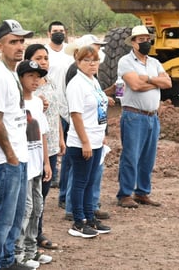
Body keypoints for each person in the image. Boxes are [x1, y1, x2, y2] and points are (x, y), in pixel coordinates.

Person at [0, 19, 34, 270]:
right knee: (3, 216)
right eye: (13, 41)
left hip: (18, 156)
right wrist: (11, 156)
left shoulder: (11, 73)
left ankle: (6, 260)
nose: (19, 46)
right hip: (5, 159)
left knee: (14, 216)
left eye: (21, 41)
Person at [116, 25, 172, 208]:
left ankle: (142, 192)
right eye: (141, 40)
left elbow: (168, 83)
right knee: (131, 156)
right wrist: (156, 82)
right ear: (133, 42)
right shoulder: (125, 61)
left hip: (152, 116)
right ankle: (125, 194)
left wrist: (147, 79)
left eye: (147, 39)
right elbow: (135, 86)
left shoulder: (154, 62)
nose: (145, 43)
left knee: (148, 157)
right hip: (134, 115)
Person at [63, 34, 113, 221]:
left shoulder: (93, 81)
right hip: (83, 141)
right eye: (87, 60)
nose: (92, 64)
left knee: (91, 181)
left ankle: (89, 216)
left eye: (95, 60)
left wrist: (100, 135)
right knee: (80, 182)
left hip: (95, 137)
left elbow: (97, 107)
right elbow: (76, 114)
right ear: (78, 61)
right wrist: (85, 142)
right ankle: (78, 219)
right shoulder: (76, 83)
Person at [23, 44, 63, 251]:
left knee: (43, 193)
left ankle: (37, 232)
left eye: (46, 57)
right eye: (39, 58)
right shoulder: (28, 86)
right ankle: (31, 237)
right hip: (34, 146)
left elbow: (55, 113)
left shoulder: (51, 82)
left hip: (52, 145)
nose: (44, 61)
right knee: (31, 194)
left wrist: (61, 140)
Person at [14, 60, 53, 268]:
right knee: (26, 208)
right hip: (24, 164)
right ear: (20, 78)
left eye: (38, 76)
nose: (35, 80)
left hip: (37, 163)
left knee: (37, 207)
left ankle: (31, 250)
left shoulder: (38, 102)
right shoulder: (16, 103)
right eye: (30, 76)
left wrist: (46, 162)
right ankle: (18, 252)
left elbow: (43, 134)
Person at [44, 21, 73, 189]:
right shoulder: (44, 52)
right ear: (49, 34)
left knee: (69, 145)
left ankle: (65, 180)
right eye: (55, 31)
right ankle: (52, 174)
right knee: (52, 141)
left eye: (61, 31)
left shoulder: (70, 52)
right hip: (52, 102)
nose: (58, 34)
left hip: (69, 102)